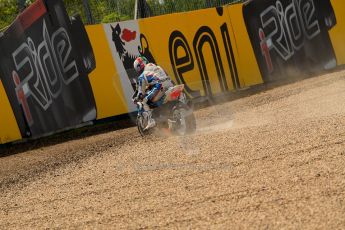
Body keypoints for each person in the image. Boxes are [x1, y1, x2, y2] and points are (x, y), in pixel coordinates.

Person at [133, 56, 174, 130]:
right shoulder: (157, 67)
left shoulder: (142, 76)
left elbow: (140, 92)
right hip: (169, 85)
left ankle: (151, 121)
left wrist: (138, 98)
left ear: (138, 67)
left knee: (144, 101)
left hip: (159, 87)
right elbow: (167, 76)